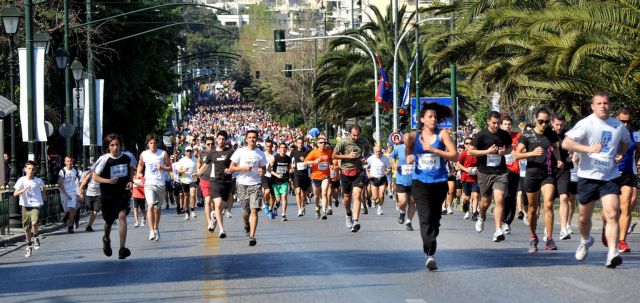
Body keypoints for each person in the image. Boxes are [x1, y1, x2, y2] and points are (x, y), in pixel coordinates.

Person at [562, 92, 630, 268]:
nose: (603, 106)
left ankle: (612, 252)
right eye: (599, 103)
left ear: (610, 105)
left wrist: (620, 154)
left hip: (610, 177)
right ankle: (585, 240)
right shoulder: (586, 124)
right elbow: (566, 143)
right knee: (584, 218)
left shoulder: (618, 126)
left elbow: (625, 142)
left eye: (606, 103)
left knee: (612, 213)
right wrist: (588, 148)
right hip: (588, 177)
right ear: (592, 106)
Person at [405, 102, 457, 270]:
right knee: (425, 217)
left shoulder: (442, 135)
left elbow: (454, 156)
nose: (433, 119)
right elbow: (407, 150)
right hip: (419, 182)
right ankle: (430, 253)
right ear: (422, 120)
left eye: (435, 117)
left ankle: (430, 244)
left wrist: (434, 150)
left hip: (439, 182)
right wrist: (409, 157)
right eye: (430, 117)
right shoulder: (413, 136)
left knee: (435, 219)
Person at [515, 108, 562, 252]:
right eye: (541, 121)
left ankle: (549, 238)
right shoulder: (527, 135)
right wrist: (532, 153)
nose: (543, 124)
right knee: (532, 208)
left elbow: (555, 147)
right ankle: (533, 237)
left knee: (548, 203)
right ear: (536, 119)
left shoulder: (551, 135)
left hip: (547, 174)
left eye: (547, 122)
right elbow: (516, 155)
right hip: (532, 174)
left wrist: (559, 160)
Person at [468, 111, 512, 242]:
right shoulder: (481, 135)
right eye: (494, 123)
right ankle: (481, 216)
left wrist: (504, 152)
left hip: (500, 172)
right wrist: (487, 152)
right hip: (485, 172)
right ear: (488, 121)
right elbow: (470, 151)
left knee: (499, 199)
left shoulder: (504, 134)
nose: (497, 125)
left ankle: (498, 230)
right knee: (485, 201)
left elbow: (509, 148)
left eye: (498, 123)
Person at [92, 134, 136, 259]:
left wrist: (130, 180)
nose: (115, 147)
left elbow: (132, 168)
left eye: (117, 144)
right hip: (108, 195)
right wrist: (108, 181)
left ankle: (122, 248)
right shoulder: (104, 159)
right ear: (108, 147)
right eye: (112, 145)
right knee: (109, 221)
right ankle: (106, 239)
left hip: (122, 193)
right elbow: (95, 177)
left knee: (122, 216)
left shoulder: (128, 157)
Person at [229, 130, 268, 246]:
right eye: (250, 137)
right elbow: (231, 168)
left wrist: (262, 171)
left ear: (257, 139)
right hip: (242, 183)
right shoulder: (240, 152)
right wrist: (243, 168)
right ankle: (246, 223)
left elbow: (263, 168)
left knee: (254, 210)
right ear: (246, 139)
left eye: (254, 137)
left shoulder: (260, 153)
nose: (252, 139)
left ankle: (252, 236)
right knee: (246, 211)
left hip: (255, 183)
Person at [333, 125, 371, 232]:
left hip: (358, 171)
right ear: (349, 133)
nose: (356, 137)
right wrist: (347, 156)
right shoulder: (343, 142)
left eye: (358, 135)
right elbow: (334, 155)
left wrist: (365, 158)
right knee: (346, 198)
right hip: (345, 172)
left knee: (357, 195)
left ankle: (355, 221)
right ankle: (348, 214)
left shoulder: (364, 140)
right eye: (354, 135)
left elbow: (368, 149)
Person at [137, 134, 172, 241]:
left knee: (157, 209)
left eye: (154, 143)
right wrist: (139, 173)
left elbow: (170, 168)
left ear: (157, 143)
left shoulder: (163, 154)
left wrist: (162, 168)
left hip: (160, 184)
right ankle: (151, 231)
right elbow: (140, 165)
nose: (153, 145)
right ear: (148, 144)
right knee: (151, 205)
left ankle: (156, 228)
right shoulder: (144, 154)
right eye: (151, 143)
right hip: (149, 184)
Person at [613, 108, 639, 252]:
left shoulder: (636, 135)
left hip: (628, 173)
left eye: (628, 122)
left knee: (627, 204)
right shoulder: (609, 133)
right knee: (610, 210)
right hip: (611, 174)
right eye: (622, 121)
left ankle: (622, 240)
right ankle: (608, 227)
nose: (625, 125)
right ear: (616, 118)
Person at [203, 131, 234, 238]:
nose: (221, 141)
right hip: (215, 181)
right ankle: (221, 229)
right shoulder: (211, 153)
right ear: (216, 139)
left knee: (223, 206)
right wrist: (198, 173)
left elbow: (235, 165)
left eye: (223, 139)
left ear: (226, 140)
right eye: (219, 138)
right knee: (218, 203)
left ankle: (214, 215)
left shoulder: (230, 152)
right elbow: (205, 165)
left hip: (227, 182)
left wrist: (230, 169)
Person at [552, 115, 576, 240]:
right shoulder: (547, 134)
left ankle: (563, 228)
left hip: (565, 170)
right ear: (552, 123)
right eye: (557, 124)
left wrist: (571, 155)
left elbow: (573, 149)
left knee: (564, 197)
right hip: (550, 171)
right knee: (549, 201)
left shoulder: (568, 134)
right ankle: (548, 227)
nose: (559, 127)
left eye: (561, 124)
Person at [14, 161, 45, 257]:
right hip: (25, 206)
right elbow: (15, 194)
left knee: (34, 223)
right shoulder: (21, 180)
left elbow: (44, 188)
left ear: (35, 170)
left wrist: (43, 198)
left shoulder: (38, 180)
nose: (31, 171)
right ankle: (29, 246)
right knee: (27, 229)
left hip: (35, 205)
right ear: (25, 169)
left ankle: (35, 237)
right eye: (29, 169)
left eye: (32, 169)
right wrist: (23, 190)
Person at [500, 116, 521, 235]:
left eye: (509, 124)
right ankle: (502, 220)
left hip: (514, 170)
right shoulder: (497, 137)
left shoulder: (517, 136)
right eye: (505, 124)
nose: (507, 126)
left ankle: (507, 222)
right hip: (501, 170)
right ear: (501, 125)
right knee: (503, 196)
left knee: (511, 196)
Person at [390, 140, 417, 231]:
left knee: (412, 202)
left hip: (415, 180)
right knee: (403, 201)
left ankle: (409, 222)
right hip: (401, 179)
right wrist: (394, 164)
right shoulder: (399, 148)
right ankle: (402, 211)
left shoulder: (417, 148)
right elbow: (391, 156)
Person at [305, 137, 333, 219]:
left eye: (324, 142)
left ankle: (324, 211)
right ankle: (317, 208)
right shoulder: (314, 152)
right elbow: (305, 162)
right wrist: (314, 162)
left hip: (326, 176)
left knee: (324, 193)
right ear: (317, 144)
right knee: (316, 195)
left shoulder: (328, 152)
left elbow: (331, 161)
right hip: (315, 176)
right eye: (321, 142)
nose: (323, 144)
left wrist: (332, 166)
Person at [456, 137, 480, 221]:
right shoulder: (464, 153)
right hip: (466, 178)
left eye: (470, 143)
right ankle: (464, 206)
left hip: (476, 178)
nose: (469, 145)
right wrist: (466, 170)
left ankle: (474, 213)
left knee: (476, 195)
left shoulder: (477, 153)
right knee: (466, 197)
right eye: (466, 143)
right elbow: (458, 164)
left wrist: (478, 169)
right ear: (464, 145)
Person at [366, 146, 392, 215]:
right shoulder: (371, 158)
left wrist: (388, 171)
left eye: (379, 151)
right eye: (376, 152)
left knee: (381, 194)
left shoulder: (385, 158)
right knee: (374, 197)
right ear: (374, 152)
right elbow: (365, 166)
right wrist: (368, 174)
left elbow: (389, 168)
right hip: (374, 179)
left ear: (381, 151)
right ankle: (373, 200)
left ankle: (379, 209)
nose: (378, 153)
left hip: (382, 178)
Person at [271, 142, 293, 221]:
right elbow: (269, 170)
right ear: (279, 149)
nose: (283, 149)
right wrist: (276, 175)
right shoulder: (274, 158)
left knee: (284, 196)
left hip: (284, 180)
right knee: (278, 199)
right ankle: (275, 206)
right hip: (275, 181)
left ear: (286, 149)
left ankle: (283, 214)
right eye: (282, 147)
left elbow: (290, 168)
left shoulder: (288, 158)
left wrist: (291, 170)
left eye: (285, 147)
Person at [58, 156, 80, 233]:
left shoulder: (75, 170)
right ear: (65, 162)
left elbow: (77, 182)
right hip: (64, 193)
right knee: (66, 210)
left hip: (72, 193)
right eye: (67, 161)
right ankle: (66, 214)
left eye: (71, 161)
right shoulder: (62, 171)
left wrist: (79, 193)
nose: (69, 163)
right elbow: (60, 183)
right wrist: (65, 194)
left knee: (72, 209)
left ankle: (70, 226)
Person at [291, 138, 311, 217]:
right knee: (298, 192)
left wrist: (305, 160)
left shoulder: (307, 152)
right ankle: (299, 209)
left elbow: (310, 163)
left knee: (303, 194)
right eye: (299, 143)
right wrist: (291, 166)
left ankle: (302, 206)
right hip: (296, 175)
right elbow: (290, 162)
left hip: (305, 175)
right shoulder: (293, 152)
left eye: (302, 143)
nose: (300, 144)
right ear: (296, 143)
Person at [176, 146, 198, 220]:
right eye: (187, 151)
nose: (189, 152)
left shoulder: (195, 159)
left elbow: (199, 168)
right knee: (186, 196)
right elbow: (177, 170)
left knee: (192, 194)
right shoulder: (182, 160)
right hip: (184, 180)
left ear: (192, 152)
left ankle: (192, 211)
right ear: (185, 152)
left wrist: (197, 173)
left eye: (190, 151)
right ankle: (186, 211)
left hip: (193, 180)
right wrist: (183, 170)